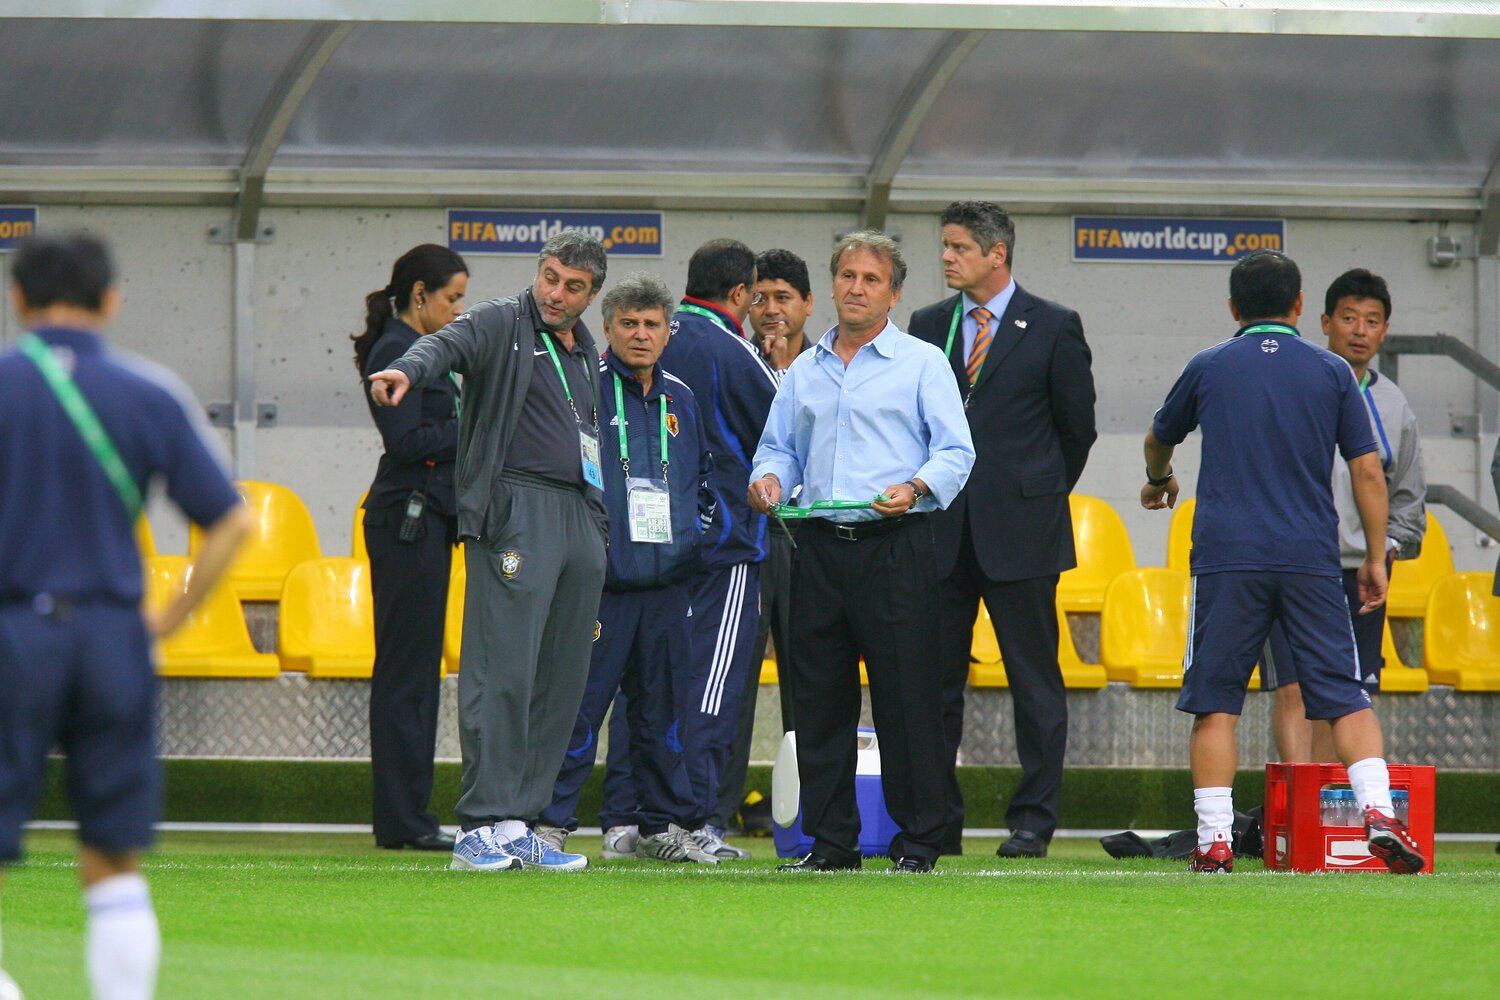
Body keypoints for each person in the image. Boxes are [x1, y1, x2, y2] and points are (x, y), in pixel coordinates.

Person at [0, 232, 251, 1000]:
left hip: (13, 633)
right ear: (111, 301)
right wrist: (170, 615)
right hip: (113, 633)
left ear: (16, 300)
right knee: (113, 856)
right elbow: (233, 521)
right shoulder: (146, 391)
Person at [1142, 249, 1424, 875]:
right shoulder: (1332, 374)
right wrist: (1376, 557)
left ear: (1234, 308)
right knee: (1345, 697)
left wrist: (1158, 478)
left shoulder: (1209, 365)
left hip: (1226, 557)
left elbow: (1160, 435)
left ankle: (1215, 841)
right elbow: (1368, 471)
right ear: (1301, 307)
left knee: (1216, 702)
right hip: (1310, 559)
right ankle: (1377, 812)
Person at [367, 230, 610, 873]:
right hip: (517, 510)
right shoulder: (501, 321)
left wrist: (598, 526)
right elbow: (445, 343)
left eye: (573, 286)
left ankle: (520, 823)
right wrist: (406, 370)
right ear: (539, 270)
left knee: (560, 682)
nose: (556, 294)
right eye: (550, 277)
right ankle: (479, 825)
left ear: (592, 294)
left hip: (578, 513)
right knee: (502, 672)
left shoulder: (587, 352)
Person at [749, 229, 975, 873]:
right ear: (832, 287)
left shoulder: (923, 362)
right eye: (848, 276)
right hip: (816, 548)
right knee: (819, 702)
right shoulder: (805, 370)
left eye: (871, 279)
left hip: (897, 548)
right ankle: (833, 843)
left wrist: (916, 486)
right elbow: (778, 450)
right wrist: (767, 481)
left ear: (895, 293)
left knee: (907, 699)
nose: (856, 288)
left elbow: (956, 452)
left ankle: (921, 838)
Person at [907, 201, 1097, 858]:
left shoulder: (1052, 325)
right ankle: (936, 822)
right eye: (945, 246)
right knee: (932, 685)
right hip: (939, 531)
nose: (947, 257)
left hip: (1022, 531)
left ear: (997, 254)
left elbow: (1078, 431)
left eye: (959, 247)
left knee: (1033, 681)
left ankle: (1033, 822)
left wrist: (1033, 495)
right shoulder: (926, 326)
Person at [534, 273, 718, 864]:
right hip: (601, 587)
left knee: (663, 715)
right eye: (629, 323)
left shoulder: (681, 399)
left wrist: (694, 542)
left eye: (652, 324)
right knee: (579, 711)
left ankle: (662, 827)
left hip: (666, 585)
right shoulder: (583, 387)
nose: (641, 334)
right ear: (607, 328)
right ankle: (550, 827)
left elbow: (704, 481)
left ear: (669, 331)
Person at [1261, 269, 1425, 763]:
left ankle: (1322, 815)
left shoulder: (1395, 405)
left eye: (1372, 321)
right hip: (1292, 563)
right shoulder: (1289, 384)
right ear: (1324, 321)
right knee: (1293, 689)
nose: (1359, 330)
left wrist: (1386, 551)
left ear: (1384, 332)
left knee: (1342, 696)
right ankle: (1292, 814)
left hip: (1362, 575)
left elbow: (1408, 500)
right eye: (1349, 318)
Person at [657, 238, 779, 860]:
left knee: (650, 682)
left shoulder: (651, 335)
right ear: (740, 294)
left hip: (653, 547)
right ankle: (697, 821)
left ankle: (638, 819)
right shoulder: (733, 351)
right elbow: (785, 433)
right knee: (712, 684)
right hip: (726, 546)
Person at [353, 244, 469, 852]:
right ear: (420, 294)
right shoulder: (396, 351)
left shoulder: (413, 351)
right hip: (408, 522)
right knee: (406, 675)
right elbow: (407, 440)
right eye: (452, 299)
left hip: (421, 522)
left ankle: (408, 816)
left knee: (416, 671)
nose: (457, 311)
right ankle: (403, 820)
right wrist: (476, 428)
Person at [714, 248, 817, 835]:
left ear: (807, 303)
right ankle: (718, 807)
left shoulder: (830, 365)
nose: (771, 310)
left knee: (811, 677)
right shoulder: (733, 363)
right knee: (734, 678)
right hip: (748, 539)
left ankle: (808, 812)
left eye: (783, 298)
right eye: (760, 299)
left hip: (809, 538)